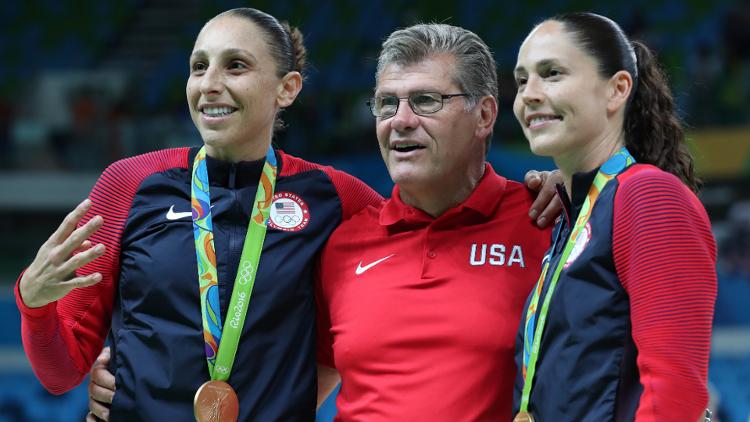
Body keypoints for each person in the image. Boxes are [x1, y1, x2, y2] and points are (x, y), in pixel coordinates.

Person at [85, 23, 562, 422]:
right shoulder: (347, 236)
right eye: (386, 104)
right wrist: (133, 390)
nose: (400, 120)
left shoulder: (549, 219)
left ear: (484, 115)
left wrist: (573, 184)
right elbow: (309, 368)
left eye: (426, 101)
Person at [16, 7, 384, 421]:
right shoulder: (129, 184)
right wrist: (34, 303)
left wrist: (298, 394)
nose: (210, 84)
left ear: (287, 89)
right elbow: (61, 374)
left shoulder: (336, 198)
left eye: (236, 66)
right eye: (199, 67)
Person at [510, 12, 717, 421]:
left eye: (551, 74)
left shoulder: (648, 196)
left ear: (616, 89)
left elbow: (675, 393)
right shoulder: (573, 217)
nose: (529, 94)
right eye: (521, 80)